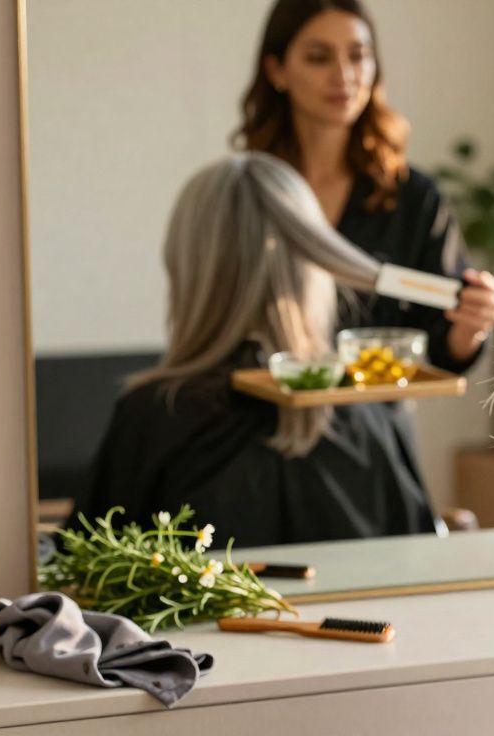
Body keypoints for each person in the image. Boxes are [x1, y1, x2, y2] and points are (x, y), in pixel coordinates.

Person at [74, 153, 440, 546]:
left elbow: (85, 569)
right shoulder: (372, 411)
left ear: (189, 265)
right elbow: (419, 557)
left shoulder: (158, 413)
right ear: (313, 268)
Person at [235, 0, 494, 374]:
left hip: (371, 421)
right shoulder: (245, 192)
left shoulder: (412, 196)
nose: (344, 75)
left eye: (358, 56)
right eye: (319, 57)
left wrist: (473, 322)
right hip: (259, 416)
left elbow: (448, 349)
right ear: (276, 71)